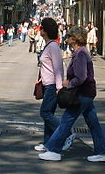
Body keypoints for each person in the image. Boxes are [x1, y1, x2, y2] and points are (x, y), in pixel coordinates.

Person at [39, 26, 105, 162]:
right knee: (93, 123)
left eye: (70, 36)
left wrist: (68, 83)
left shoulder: (81, 53)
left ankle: (54, 149)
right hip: (87, 92)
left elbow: (81, 76)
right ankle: (102, 151)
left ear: (75, 39)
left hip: (82, 93)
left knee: (66, 121)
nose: (68, 39)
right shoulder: (80, 52)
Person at [33, 18, 65, 152]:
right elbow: (48, 66)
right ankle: (48, 143)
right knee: (48, 114)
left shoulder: (53, 46)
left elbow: (58, 68)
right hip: (47, 84)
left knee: (45, 112)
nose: (39, 30)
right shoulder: (49, 45)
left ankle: (66, 134)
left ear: (45, 31)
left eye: (41, 28)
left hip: (52, 86)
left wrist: (59, 87)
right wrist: (41, 78)